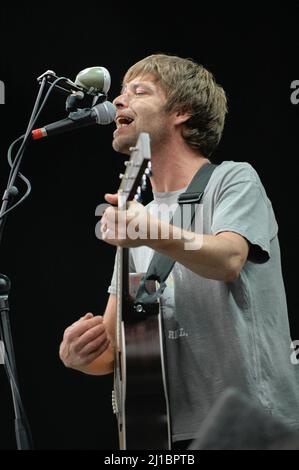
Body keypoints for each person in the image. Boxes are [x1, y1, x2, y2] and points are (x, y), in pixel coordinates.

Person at [59, 53, 299, 449]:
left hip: (251, 426)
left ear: (182, 112)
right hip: (164, 433)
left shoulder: (233, 179)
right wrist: (80, 356)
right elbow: (118, 344)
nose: (120, 100)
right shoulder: (141, 217)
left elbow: (228, 259)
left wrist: (148, 230)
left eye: (139, 91)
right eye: (120, 92)